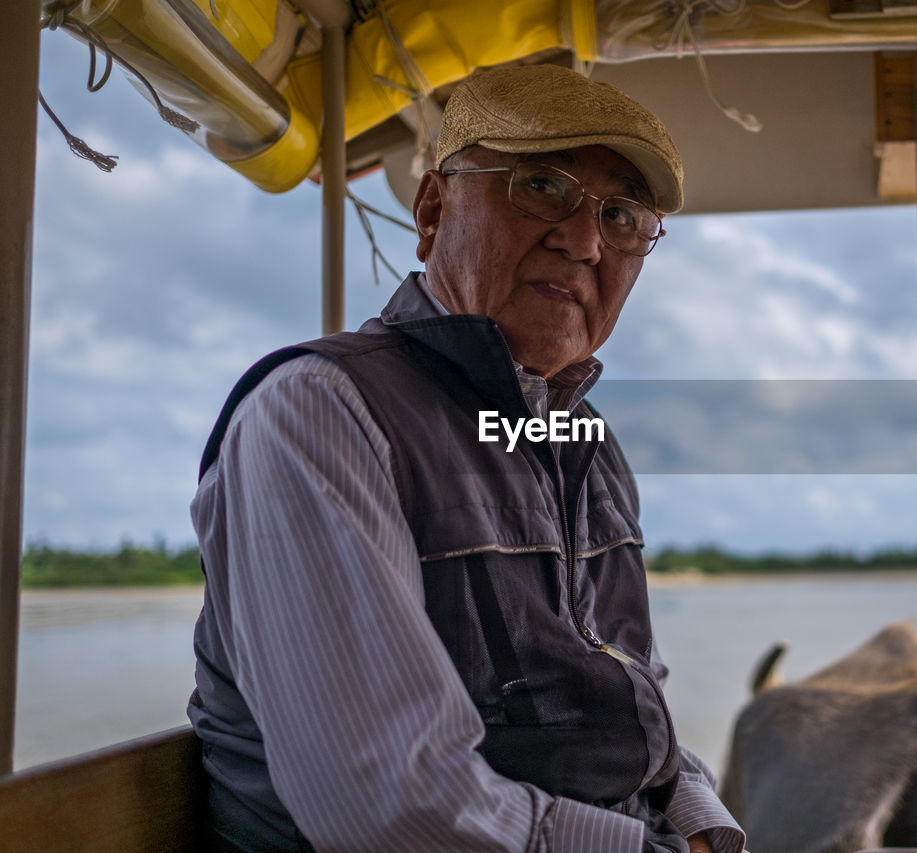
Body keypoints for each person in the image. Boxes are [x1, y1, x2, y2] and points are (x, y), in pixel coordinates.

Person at [187, 63, 746, 853]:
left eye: (622, 215)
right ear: (432, 209)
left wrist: (703, 824)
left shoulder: (585, 438)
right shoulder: (319, 412)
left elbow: (627, 698)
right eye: (543, 186)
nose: (583, 240)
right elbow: (391, 801)